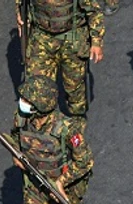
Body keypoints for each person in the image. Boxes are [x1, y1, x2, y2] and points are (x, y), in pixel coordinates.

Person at [9, 74, 94, 204]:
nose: (23, 103)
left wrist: (61, 182)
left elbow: (85, 161)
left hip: (64, 187)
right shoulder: (22, 119)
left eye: (29, 100)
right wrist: (16, 154)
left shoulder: (66, 128)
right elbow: (14, 139)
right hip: (34, 186)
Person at [15, 0, 105, 130]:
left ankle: (76, 124)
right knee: (37, 87)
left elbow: (94, 10)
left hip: (72, 38)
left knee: (74, 87)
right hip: (41, 38)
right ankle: (42, 127)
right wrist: (20, 13)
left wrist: (96, 42)